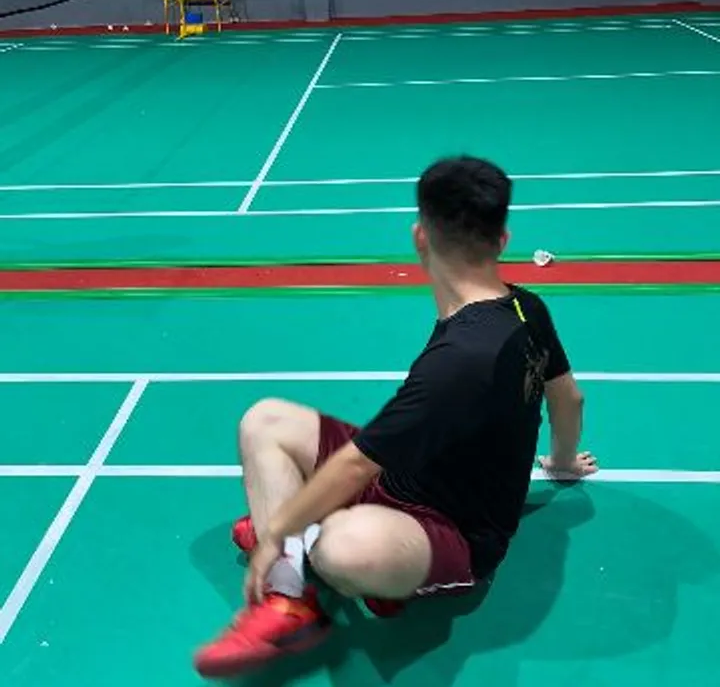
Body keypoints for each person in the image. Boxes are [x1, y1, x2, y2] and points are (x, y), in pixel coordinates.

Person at [193, 156, 598, 678]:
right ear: (502, 241)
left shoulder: (460, 360)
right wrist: (562, 463)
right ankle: (293, 600)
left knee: (344, 548)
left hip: (454, 533)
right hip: (403, 476)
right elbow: (569, 399)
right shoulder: (526, 307)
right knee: (265, 420)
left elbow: (356, 466)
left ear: (419, 238)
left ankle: (313, 557)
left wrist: (278, 533)